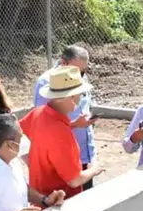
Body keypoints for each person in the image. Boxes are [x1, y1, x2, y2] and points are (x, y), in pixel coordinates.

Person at [21, 66, 104, 200]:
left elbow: (18, 133)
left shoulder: (38, 113)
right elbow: (74, 180)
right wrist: (94, 169)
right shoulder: (61, 133)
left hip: (41, 199)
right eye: (79, 95)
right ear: (70, 97)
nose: (79, 99)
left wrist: (31, 162)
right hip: (61, 205)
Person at [34, 46, 98, 190]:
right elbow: (41, 126)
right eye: (77, 70)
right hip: (64, 159)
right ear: (63, 62)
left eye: (83, 71)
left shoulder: (79, 76)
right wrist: (75, 124)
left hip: (85, 155)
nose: (80, 75)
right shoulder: (45, 83)